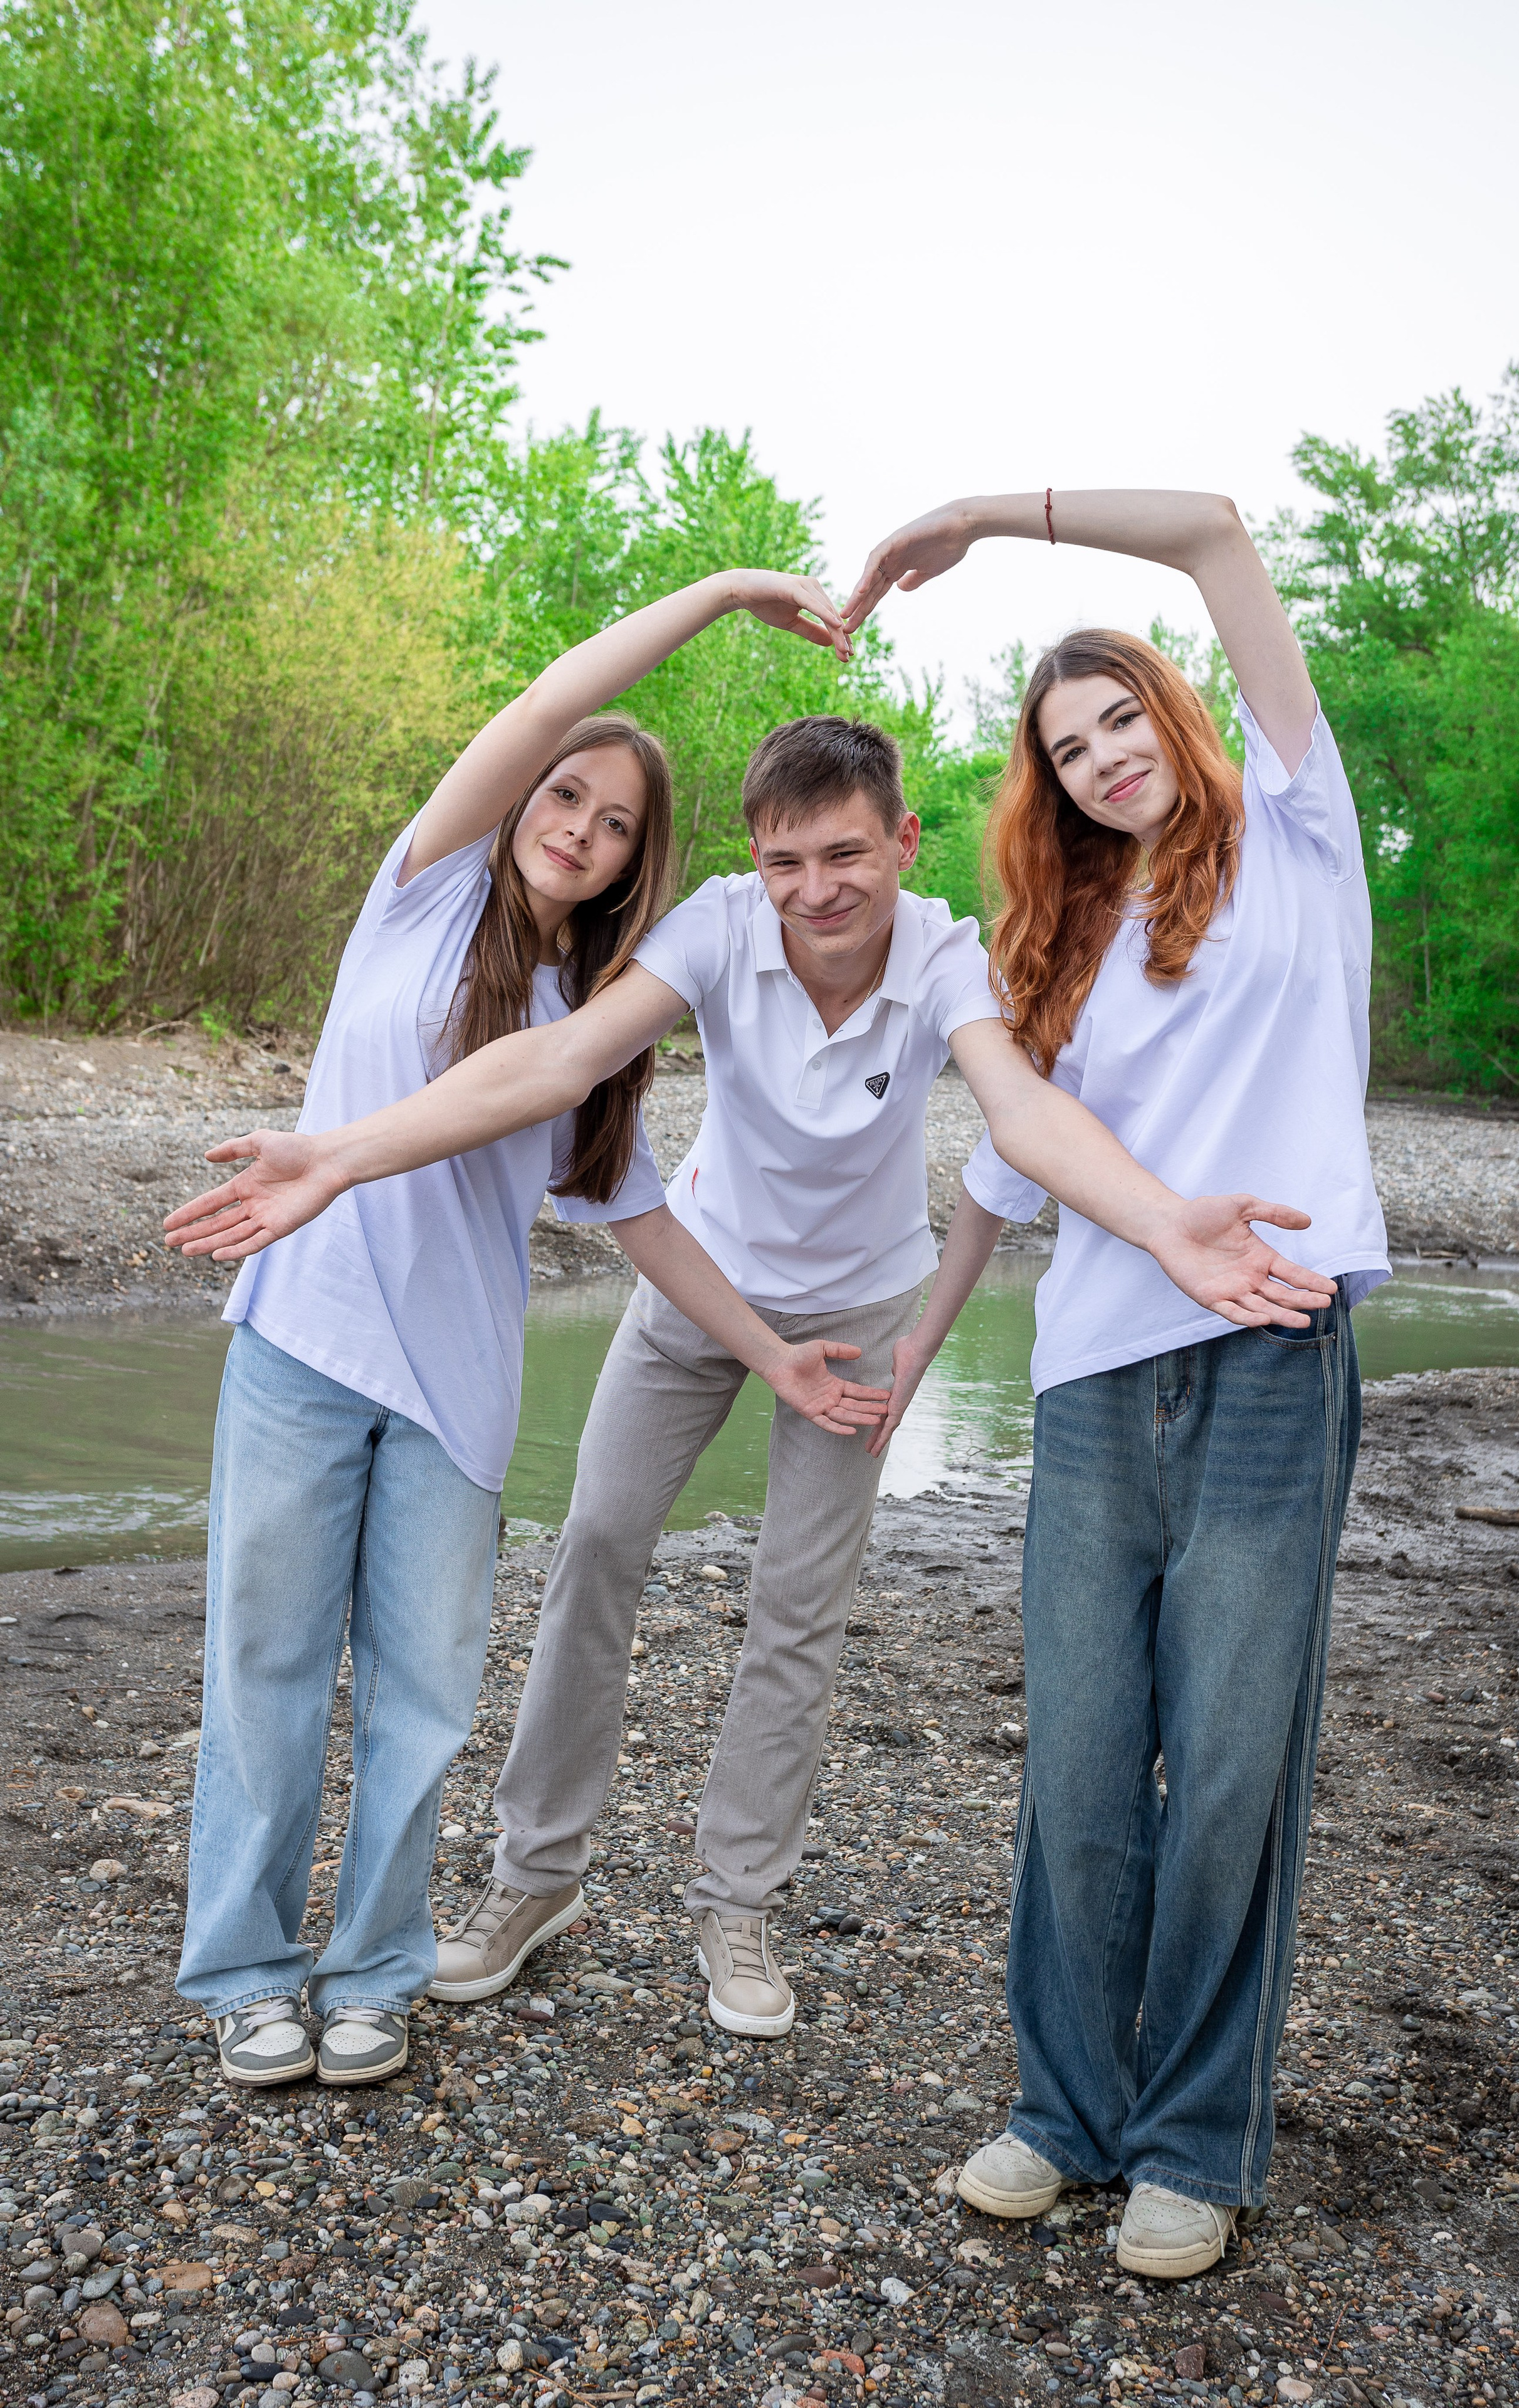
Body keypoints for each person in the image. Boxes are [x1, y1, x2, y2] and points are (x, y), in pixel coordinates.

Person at [169, 680, 1333, 2054]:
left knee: (798, 1605)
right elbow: (563, 1059)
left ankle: (736, 1903)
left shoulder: (950, 960)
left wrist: (961, 1324)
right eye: (784, 860)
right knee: (596, 1539)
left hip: (860, 1309)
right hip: (702, 1291)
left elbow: (1013, 1122)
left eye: (843, 855)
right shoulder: (719, 926)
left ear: (902, 842)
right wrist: (344, 1150)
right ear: (751, 860)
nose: (813, 888)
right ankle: (532, 1879)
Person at [175, 568, 903, 2092]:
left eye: (618, 820)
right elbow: (551, 700)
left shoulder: (595, 1016)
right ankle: (247, 1973)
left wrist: (773, 1355)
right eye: (564, 794)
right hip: (301, 1347)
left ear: (637, 859)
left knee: (427, 1695)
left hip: (457, 1391)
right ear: (521, 798)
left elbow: (645, 1222)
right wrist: (714, 600)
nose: (579, 822)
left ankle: (374, 1967)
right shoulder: (419, 887)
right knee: (268, 1670)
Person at [839, 485, 1390, 2278]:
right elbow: (1009, 1184)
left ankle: (1191, 2147)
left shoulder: (1306, 837)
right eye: (1067, 750)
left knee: (1231, 1766)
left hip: (1271, 1354)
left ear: (1181, 711)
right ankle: (1062, 2112)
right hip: (1091, 1387)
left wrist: (986, 517)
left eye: (1121, 720)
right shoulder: (1056, 943)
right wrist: (911, 1359)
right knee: (1081, 1764)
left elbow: (1222, 536)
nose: (1100, 761)